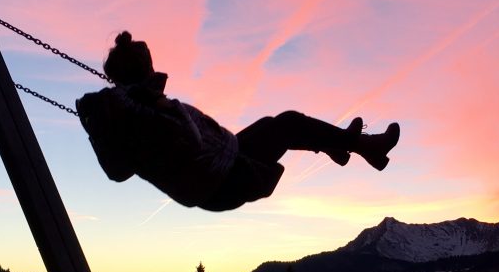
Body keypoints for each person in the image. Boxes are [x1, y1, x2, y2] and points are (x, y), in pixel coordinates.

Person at [77, 32, 400, 211]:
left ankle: (335, 144)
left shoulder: (122, 111)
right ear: (144, 69)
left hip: (220, 165)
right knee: (287, 125)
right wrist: (163, 104)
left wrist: (96, 127)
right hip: (222, 178)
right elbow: (191, 140)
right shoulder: (146, 109)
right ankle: (362, 146)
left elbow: (116, 170)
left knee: (280, 124)